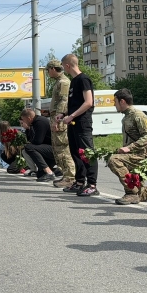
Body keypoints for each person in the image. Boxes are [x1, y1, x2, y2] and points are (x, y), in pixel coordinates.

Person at [57, 54, 99, 196]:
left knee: (87, 153)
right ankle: (79, 182)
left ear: (67, 65)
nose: (63, 69)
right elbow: (74, 104)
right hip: (73, 122)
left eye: (63, 66)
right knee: (76, 153)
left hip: (82, 122)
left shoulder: (83, 79)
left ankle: (92, 184)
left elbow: (88, 102)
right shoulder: (73, 81)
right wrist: (63, 114)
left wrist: (72, 116)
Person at [107, 89, 147, 205]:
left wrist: (130, 148)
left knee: (114, 160)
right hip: (133, 155)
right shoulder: (126, 117)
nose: (114, 104)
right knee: (141, 192)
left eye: (115, 101)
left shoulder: (138, 116)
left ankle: (131, 193)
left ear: (122, 101)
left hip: (141, 155)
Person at [47, 59, 76, 188]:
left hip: (59, 121)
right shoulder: (59, 82)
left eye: (48, 70)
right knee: (58, 149)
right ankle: (66, 175)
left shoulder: (63, 82)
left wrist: (56, 121)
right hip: (56, 118)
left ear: (53, 69)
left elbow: (64, 102)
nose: (48, 73)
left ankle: (70, 176)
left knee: (63, 149)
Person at [18, 108, 60, 182]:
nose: (23, 122)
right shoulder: (34, 123)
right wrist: (28, 130)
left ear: (29, 118)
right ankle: (55, 170)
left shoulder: (40, 122)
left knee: (29, 147)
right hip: (46, 148)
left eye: (23, 120)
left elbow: (38, 141)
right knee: (40, 175)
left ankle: (49, 172)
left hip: (53, 148)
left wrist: (28, 144)